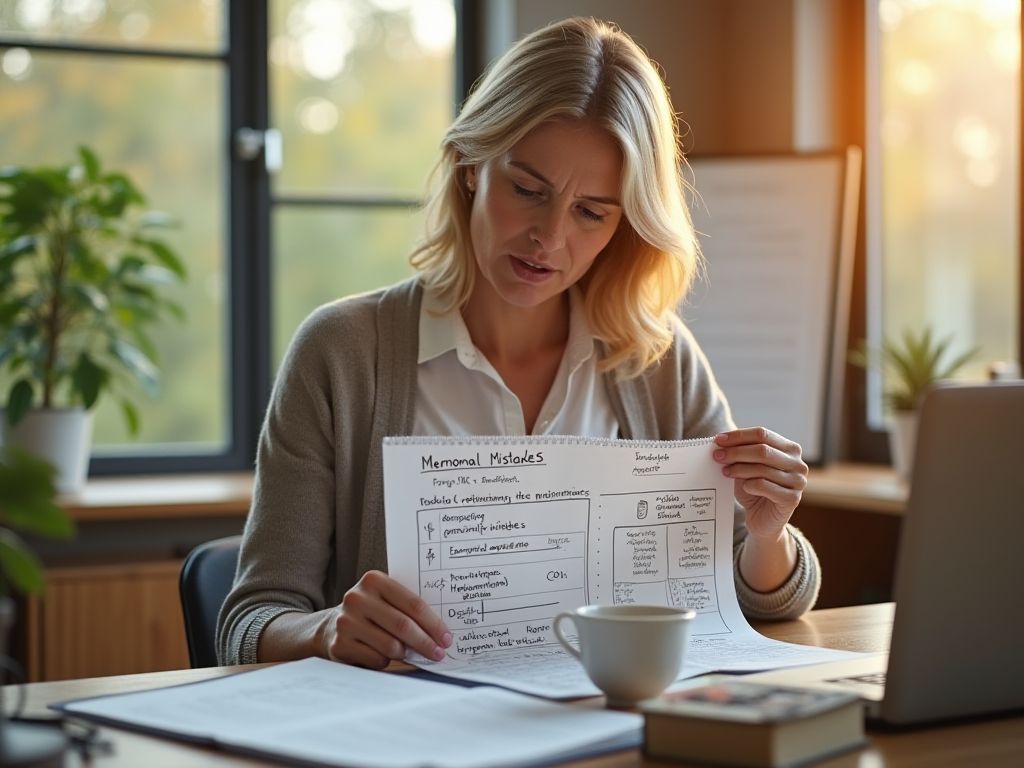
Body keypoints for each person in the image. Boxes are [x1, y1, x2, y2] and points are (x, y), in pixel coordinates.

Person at [217, 16, 819, 669]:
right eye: (528, 189)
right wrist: (325, 631)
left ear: (627, 224)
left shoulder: (657, 360)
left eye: (592, 212)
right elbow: (250, 621)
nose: (549, 237)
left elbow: (762, 602)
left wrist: (767, 534)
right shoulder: (342, 354)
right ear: (471, 165)